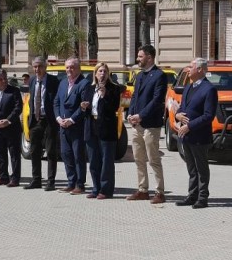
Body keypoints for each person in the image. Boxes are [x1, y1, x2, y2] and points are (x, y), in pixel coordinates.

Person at [127, 44, 168, 204]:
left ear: (150, 57)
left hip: (150, 125)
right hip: (136, 125)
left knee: (153, 159)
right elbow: (134, 97)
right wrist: (130, 114)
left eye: (140, 56)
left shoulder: (159, 76)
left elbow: (157, 101)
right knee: (139, 158)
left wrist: (141, 116)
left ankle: (160, 192)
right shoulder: (139, 75)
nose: (138, 59)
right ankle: (143, 190)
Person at [174, 58, 218, 209]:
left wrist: (190, 126)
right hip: (186, 136)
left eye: (191, 66)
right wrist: (177, 115)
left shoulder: (209, 89)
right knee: (191, 168)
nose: (188, 69)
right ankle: (192, 195)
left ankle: (202, 197)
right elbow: (182, 107)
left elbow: (208, 115)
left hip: (199, 136)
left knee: (201, 168)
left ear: (200, 69)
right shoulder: (188, 86)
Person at [82, 62, 122, 199]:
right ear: (95, 74)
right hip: (91, 127)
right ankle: (96, 188)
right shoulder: (89, 87)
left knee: (107, 161)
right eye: (100, 71)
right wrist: (84, 106)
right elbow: (85, 104)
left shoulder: (114, 89)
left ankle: (106, 190)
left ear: (108, 74)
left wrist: (105, 95)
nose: (102, 74)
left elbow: (114, 107)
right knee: (94, 160)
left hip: (106, 128)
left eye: (105, 71)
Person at [54, 57, 90, 194]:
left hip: (77, 127)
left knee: (78, 156)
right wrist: (58, 118)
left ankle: (80, 184)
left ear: (78, 68)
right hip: (63, 126)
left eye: (72, 67)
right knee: (66, 154)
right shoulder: (63, 83)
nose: (69, 70)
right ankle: (71, 182)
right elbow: (56, 102)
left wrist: (72, 119)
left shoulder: (84, 84)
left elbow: (84, 106)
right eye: (67, 67)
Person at [25, 56, 59, 190]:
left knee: (50, 151)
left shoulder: (53, 81)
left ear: (45, 67)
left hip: (49, 120)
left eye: (39, 66)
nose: (37, 69)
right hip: (35, 119)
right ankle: (36, 179)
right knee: (34, 151)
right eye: (35, 66)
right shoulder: (32, 80)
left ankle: (51, 181)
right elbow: (31, 99)